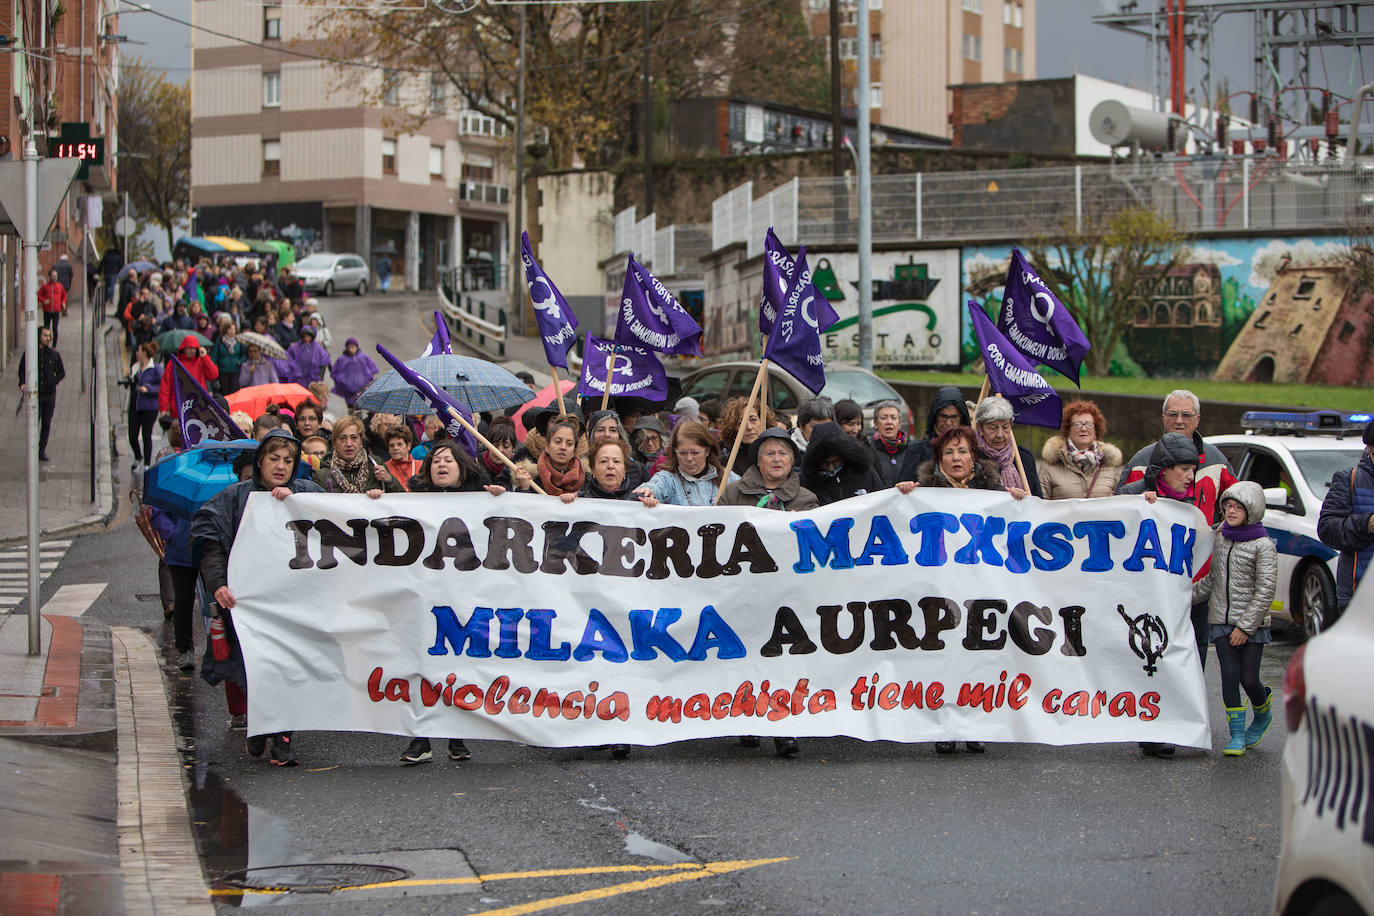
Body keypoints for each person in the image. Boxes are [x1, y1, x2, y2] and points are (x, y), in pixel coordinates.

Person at [192, 430, 325, 766]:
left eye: (288, 461)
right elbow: (209, 539)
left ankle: (283, 741)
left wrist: (296, 500)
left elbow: (343, 517)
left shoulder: (307, 493)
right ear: (260, 462)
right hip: (249, 606)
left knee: (288, 669)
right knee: (256, 669)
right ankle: (259, 726)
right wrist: (218, 584)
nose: (280, 466)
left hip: (294, 605)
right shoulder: (235, 498)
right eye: (273, 459)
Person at [916, 424, 1025, 754]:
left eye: (962, 450)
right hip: (940, 591)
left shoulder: (993, 494)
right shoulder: (923, 493)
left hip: (981, 592)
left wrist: (1019, 502)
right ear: (939, 461)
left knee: (980, 659)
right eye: (948, 452)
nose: (956, 457)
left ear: (974, 456)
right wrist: (904, 492)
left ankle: (976, 724)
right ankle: (945, 726)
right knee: (943, 659)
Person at [398, 441, 506, 765]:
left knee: (458, 663)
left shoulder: (480, 500)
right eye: (436, 461)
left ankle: (456, 736)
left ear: (462, 468)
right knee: (422, 664)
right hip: (425, 594)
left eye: (449, 460)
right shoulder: (413, 501)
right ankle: (421, 739)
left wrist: (501, 496)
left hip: (463, 595)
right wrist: (378, 498)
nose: (441, 465)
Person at [1119, 432, 1226, 758]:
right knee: (1148, 660)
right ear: (1164, 469)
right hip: (1143, 596)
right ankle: (1152, 730)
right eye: (1183, 469)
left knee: (1180, 659)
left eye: (1193, 470)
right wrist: (1138, 507)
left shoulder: (1192, 503)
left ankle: (1180, 723)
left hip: (1182, 595)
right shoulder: (1133, 494)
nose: (1190, 477)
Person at [718, 428, 817, 758]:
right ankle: (747, 718)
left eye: (783, 453)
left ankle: (783, 728)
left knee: (783, 662)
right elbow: (712, 536)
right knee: (745, 657)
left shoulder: (806, 499)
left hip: (788, 596)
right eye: (769, 453)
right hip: (743, 592)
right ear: (757, 460)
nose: (777, 459)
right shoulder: (732, 493)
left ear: (792, 461)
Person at [1193, 481, 1278, 757]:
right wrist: (1180, 597)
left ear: (1251, 510)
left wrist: (1245, 626)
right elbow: (1213, 581)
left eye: (1237, 507)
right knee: (1230, 675)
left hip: (1251, 624)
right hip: (1220, 619)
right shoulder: (1221, 539)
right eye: (1227, 506)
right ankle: (1237, 735)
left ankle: (1263, 711)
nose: (1230, 511)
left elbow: (1265, 590)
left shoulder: (1263, 545)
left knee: (1249, 678)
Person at [1117, 389, 1233, 491]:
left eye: (1186, 415)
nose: (1179, 420)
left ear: (1197, 420)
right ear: (1163, 418)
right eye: (1173, 414)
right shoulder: (1141, 462)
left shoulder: (1217, 461)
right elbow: (1124, 506)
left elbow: (1236, 505)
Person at [1317, 421, 1374, 623]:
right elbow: (1327, 529)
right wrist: (1366, 524)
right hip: (1360, 598)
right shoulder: (1349, 480)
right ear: (1370, 450)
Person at [1037, 399, 1123, 499]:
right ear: (1068, 430)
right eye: (1077, 424)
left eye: (1089, 424)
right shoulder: (1050, 465)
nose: (1083, 429)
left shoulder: (1109, 464)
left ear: (1096, 430)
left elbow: (1122, 501)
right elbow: (1040, 503)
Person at [638, 421, 736, 506]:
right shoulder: (667, 479)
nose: (689, 458)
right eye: (682, 453)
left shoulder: (727, 478)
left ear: (707, 451)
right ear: (674, 452)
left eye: (695, 452)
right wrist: (646, 493)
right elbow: (653, 487)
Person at [802, 421, 892, 505]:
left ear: (845, 457)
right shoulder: (807, 483)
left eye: (835, 462)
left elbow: (882, 503)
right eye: (825, 463)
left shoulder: (865, 473)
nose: (831, 468)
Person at [895, 386, 970, 486]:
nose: (948, 423)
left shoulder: (972, 450)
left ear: (962, 418)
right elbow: (903, 489)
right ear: (935, 416)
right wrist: (904, 486)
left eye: (954, 417)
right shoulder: (917, 450)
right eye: (943, 416)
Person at [313, 416, 401, 496]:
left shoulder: (375, 465)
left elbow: (401, 499)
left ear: (361, 440)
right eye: (343, 438)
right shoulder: (322, 475)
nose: (348, 444)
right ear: (334, 442)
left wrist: (389, 481)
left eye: (354, 438)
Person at [972, 397, 1042, 497]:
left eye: (1005, 427)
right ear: (980, 428)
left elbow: (1038, 498)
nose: (1000, 434)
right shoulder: (971, 457)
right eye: (993, 428)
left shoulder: (1024, 458)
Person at [17, 326, 66, 461]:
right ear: (39, 336)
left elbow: (62, 372)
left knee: (46, 423)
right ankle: (31, 448)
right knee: (33, 422)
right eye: (45, 335)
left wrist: (53, 381)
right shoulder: (30, 353)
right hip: (36, 395)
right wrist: (22, 384)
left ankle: (41, 449)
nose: (48, 338)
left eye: (49, 336)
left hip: (49, 395)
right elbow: (21, 370)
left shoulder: (54, 354)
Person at [515, 417, 585, 497]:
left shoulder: (586, 480)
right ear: (547, 447)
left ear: (574, 452)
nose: (563, 447)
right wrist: (525, 489)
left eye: (569, 444)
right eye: (558, 442)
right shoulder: (531, 479)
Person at [158, 335, 219, 416]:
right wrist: (163, 408)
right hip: (178, 408)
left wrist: (205, 357)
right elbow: (165, 387)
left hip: (199, 407)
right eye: (190, 348)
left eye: (194, 348)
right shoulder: (173, 364)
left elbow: (214, 375)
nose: (192, 351)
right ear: (184, 348)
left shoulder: (201, 361)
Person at [586, 410, 647, 488]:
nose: (607, 434)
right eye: (600, 430)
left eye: (613, 430)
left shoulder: (637, 469)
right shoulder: (579, 470)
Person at [128, 343, 162, 473]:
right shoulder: (135, 367)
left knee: (146, 434)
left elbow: (162, 386)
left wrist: (148, 389)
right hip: (135, 405)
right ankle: (138, 456)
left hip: (149, 407)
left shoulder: (155, 368)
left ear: (144, 353)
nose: (136, 353)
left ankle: (147, 463)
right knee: (132, 434)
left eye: (138, 350)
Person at [868, 400, 909, 488]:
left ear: (899, 423)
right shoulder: (868, 448)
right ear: (875, 423)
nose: (889, 422)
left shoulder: (911, 449)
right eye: (883, 418)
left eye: (893, 418)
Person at [331, 338, 378, 408]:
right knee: (351, 408)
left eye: (352, 347)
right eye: (349, 348)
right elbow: (335, 372)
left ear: (356, 347)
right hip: (348, 391)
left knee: (358, 408)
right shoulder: (342, 359)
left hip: (361, 390)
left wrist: (367, 379)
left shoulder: (363, 357)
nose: (351, 349)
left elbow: (373, 369)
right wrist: (342, 381)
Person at [210, 320, 246, 396]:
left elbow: (244, 354)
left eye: (233, 329)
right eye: (230, 329)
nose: (232, 331)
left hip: (235, 370)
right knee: (224, 391)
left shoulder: (239, 341)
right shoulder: (220, 341)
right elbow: (214, 355)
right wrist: (214, 366)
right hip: (223, 370)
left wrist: (240, 361)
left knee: (235, 391)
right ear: (226, 330)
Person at [384, 425, 423, 491]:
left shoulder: (421, 466)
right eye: (391, 445)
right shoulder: (384, 468)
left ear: (408, 446)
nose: (395, 448)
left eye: (399, 444)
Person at [38, 268, 67, 345]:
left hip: (56, 310)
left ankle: (54, 345)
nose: (55, 277)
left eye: (56, 276)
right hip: (47, 310)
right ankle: (45, 343)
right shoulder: (45, 286)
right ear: (50, 276)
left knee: (55, 328)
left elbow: (64, 295)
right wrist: (43, 300)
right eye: (53, 276)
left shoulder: (60, 286)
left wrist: (63, 303)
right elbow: (38, 294)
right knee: (46, 328)